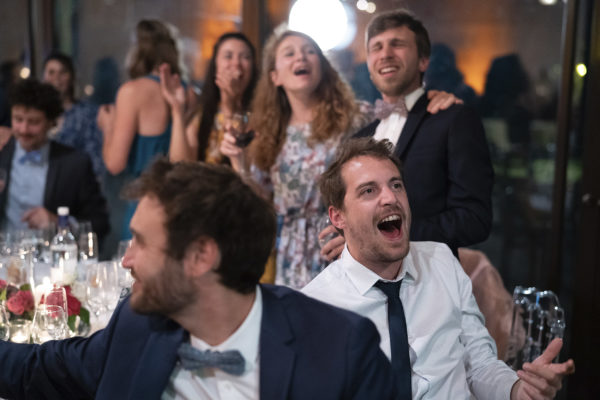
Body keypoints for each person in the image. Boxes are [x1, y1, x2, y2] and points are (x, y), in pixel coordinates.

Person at [0, 158, 397, 399]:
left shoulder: (341, 351)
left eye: (139, 242)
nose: (126, 261)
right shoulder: (139, 327)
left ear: (200, 257)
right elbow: (40, 370)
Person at [303, 137, 575, 399]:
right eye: (368, 190)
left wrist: (518, 391)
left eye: (396, 185)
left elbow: (479, 364)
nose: (390, 198)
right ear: (338, 217)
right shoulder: (315, 307)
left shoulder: (441, 260)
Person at [222, 29, 458, 289]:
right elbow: (262, 198)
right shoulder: (266, 131)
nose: (301, 57)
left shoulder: (354, 117)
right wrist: (239, 162)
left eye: (309, 51)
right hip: (290, 254)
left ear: (322, 67)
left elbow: (404, 116)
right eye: (289, 53)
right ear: (274, 76)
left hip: (344, 244)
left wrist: (434, 100)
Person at [353, 9, 494, 258]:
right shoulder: (359, 137)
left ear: (423, 61)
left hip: (429, 284)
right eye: (376, 47)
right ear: (369, 65)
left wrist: (389, 233)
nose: (385, 54)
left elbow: (474, 219)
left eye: (397, 44)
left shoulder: (454, 119)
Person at [97, 19, 189, 241]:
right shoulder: (188, 93)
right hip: (181, 205)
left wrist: (107, 127)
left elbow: (115, 164)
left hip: (143, 203)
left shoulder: (132, 92)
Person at [0, 79, 108, 237]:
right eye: (18, 119)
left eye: (34, 122)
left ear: (51, 123)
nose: (24, 129)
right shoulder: (2, 152)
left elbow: (100, 223)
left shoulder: (75, 163)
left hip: (52, 257)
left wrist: (59, 222)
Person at [161, 32, 257, 164]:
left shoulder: (260, 113)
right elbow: (181, 164)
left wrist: (231, 100)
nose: (236, 64)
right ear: (215, 64)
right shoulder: (202, 111)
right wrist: (177, 110)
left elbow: (245, 159)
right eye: (228, 56)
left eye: (245, 57)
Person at [42, 51, 105, 178]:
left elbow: (95, 161)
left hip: (74, 186)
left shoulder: (87, 113)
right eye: (51, 72)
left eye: (63, 72)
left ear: (71, 77)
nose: (56, 78)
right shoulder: (35, 114)